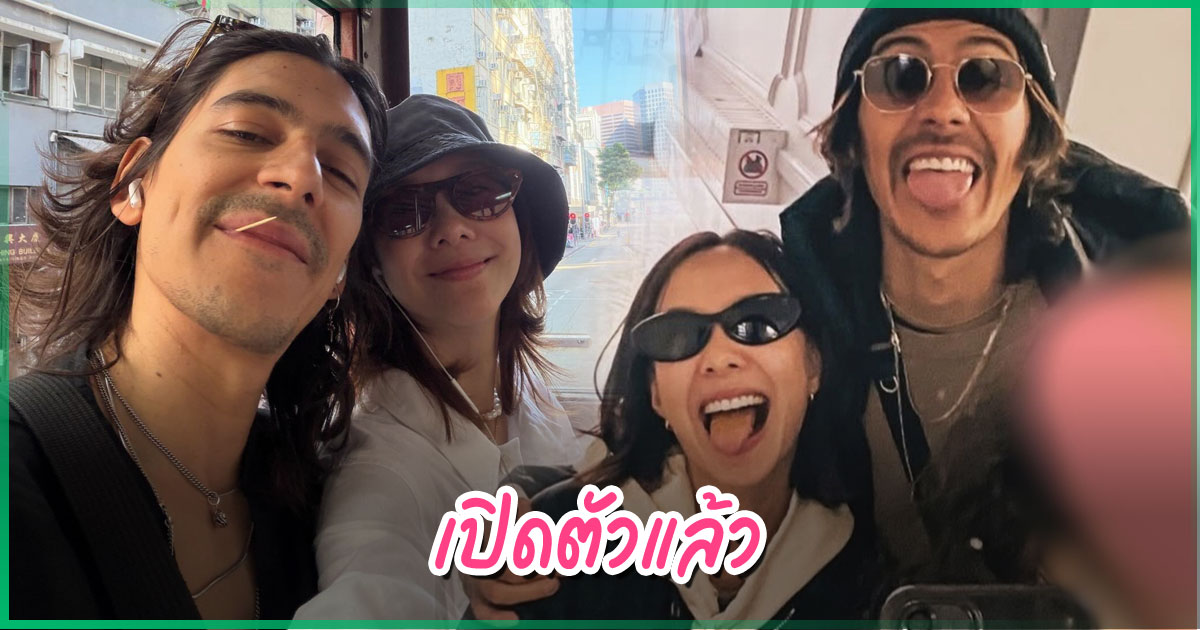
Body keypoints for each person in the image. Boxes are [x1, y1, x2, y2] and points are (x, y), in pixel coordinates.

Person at [779, 8, 1190, 580]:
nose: (943, 110)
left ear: (1031, 134)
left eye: (985, 76)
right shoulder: (795, 330)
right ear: (854, 134)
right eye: (901, 75)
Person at [8, 17, 387, 620]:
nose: (300, 178)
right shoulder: (21, 477)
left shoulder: (335, 513)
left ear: (341, 270)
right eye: (246, 132)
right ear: (132, 185)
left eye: (341, 172)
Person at [296, 94, 586, 620]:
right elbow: (368, 580)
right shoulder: (378, 462)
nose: (453, 228)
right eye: (404, 213)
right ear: (373, 262)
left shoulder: (518, 387)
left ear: (516, 216)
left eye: (480, 192)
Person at [514, 230, 879, 622]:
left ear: (814, 365)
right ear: (656, 394)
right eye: (677, 336)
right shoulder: (553, 549)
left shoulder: (869, 580)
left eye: (758, 323)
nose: (719, 357)